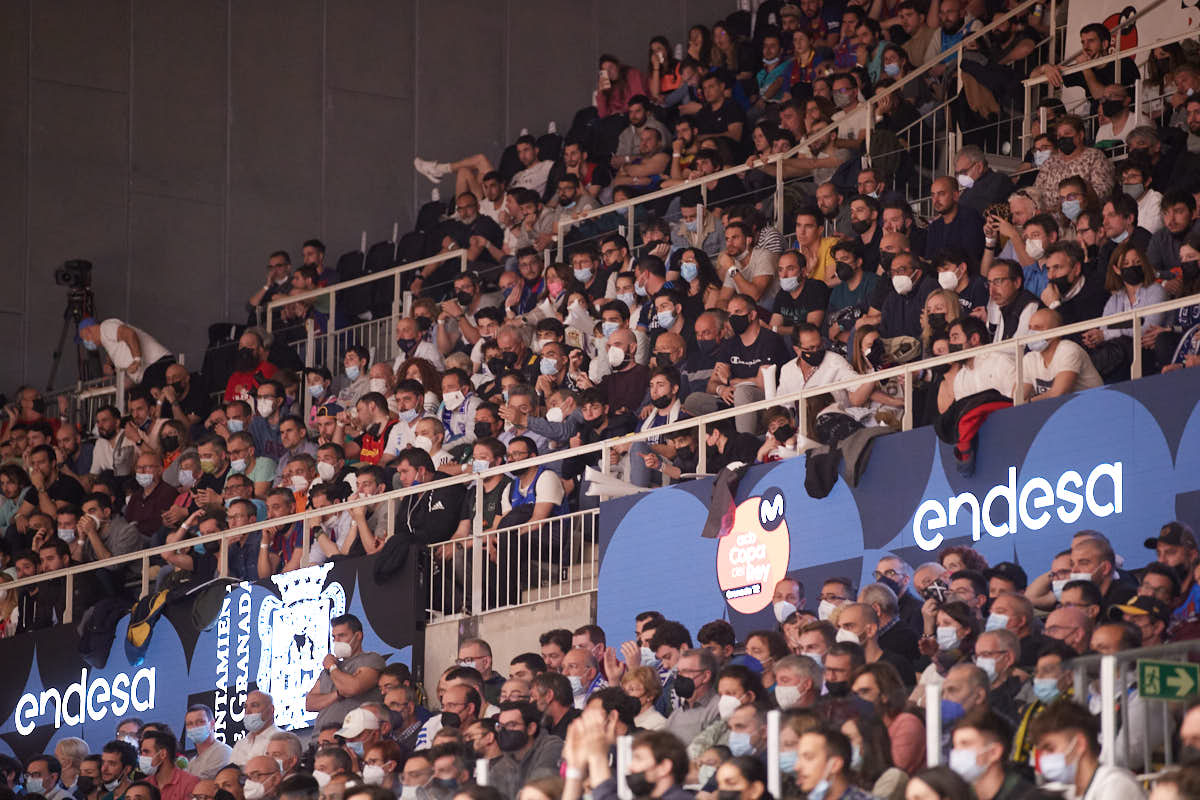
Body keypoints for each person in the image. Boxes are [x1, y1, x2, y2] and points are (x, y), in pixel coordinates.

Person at [1029, 699, 1145, 799]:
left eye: (1050, 749)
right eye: (1041, 751)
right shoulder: (1060, 790)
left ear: (1079, 744)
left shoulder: (1116, 785)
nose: (1043, 758)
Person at [305, 613, 386, 731]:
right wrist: (338, 694)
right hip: (319, 739)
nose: (336, 641)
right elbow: (310, 703)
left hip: (351, 738)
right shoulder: (328, 670)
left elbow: (352, 688)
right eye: (334, 637)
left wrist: (332, 667)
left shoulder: (371, 659)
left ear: (358, 636)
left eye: (342, 636)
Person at [1021, 308, 1103, 400]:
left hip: (1093, 406)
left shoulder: (1069, 349)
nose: (1031, 333)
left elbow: (1059, 393)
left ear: (1056, 332)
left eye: (1038, 328)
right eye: (1030, 328)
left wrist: (1029, 403)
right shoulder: (1029, 358)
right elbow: (1020, 398)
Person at [76, 317, 174, 389]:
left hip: (157, 364)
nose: (85, 342)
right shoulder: (108, 343)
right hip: (149, 371)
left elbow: (129, 333)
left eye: (83, 337)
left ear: (87, 330)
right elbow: (131, 373)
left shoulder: (105, 327)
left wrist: (137, 359)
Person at [140, 731, 199, 800]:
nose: (142, 757)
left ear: (163, 754)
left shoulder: (189, 783)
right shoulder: (144, 785)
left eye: (146, 752)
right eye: (141, 752)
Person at [230, 691, 280, 767]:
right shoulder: (240, 744)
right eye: (245, 707)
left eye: (254, 705)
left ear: (271, 710)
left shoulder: (281, 740)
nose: (247, 711)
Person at [184, 705, 233, 780]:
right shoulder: (192, 763)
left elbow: (203, 786)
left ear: (212, 724)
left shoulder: (223, 752)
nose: (195, 726)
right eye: (190, 724)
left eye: (200, 722)